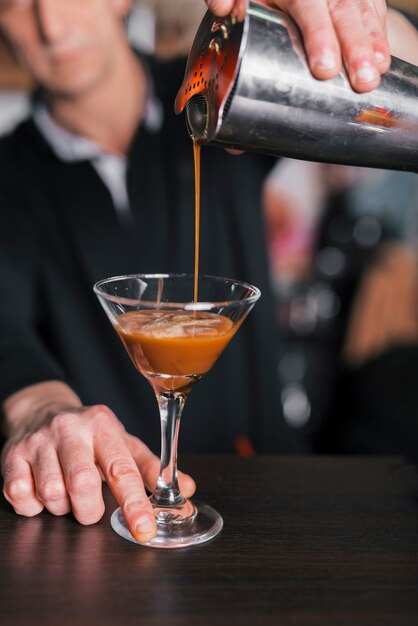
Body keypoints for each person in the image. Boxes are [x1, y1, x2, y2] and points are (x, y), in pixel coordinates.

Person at [0, 0, 415, 545]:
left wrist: (357, 18)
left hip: (277, 500)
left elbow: (385, 74)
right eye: (14, 4)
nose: (50, 26)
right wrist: (42, 410)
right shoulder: (9, 180)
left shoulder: (219, 88)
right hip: (109, 518)